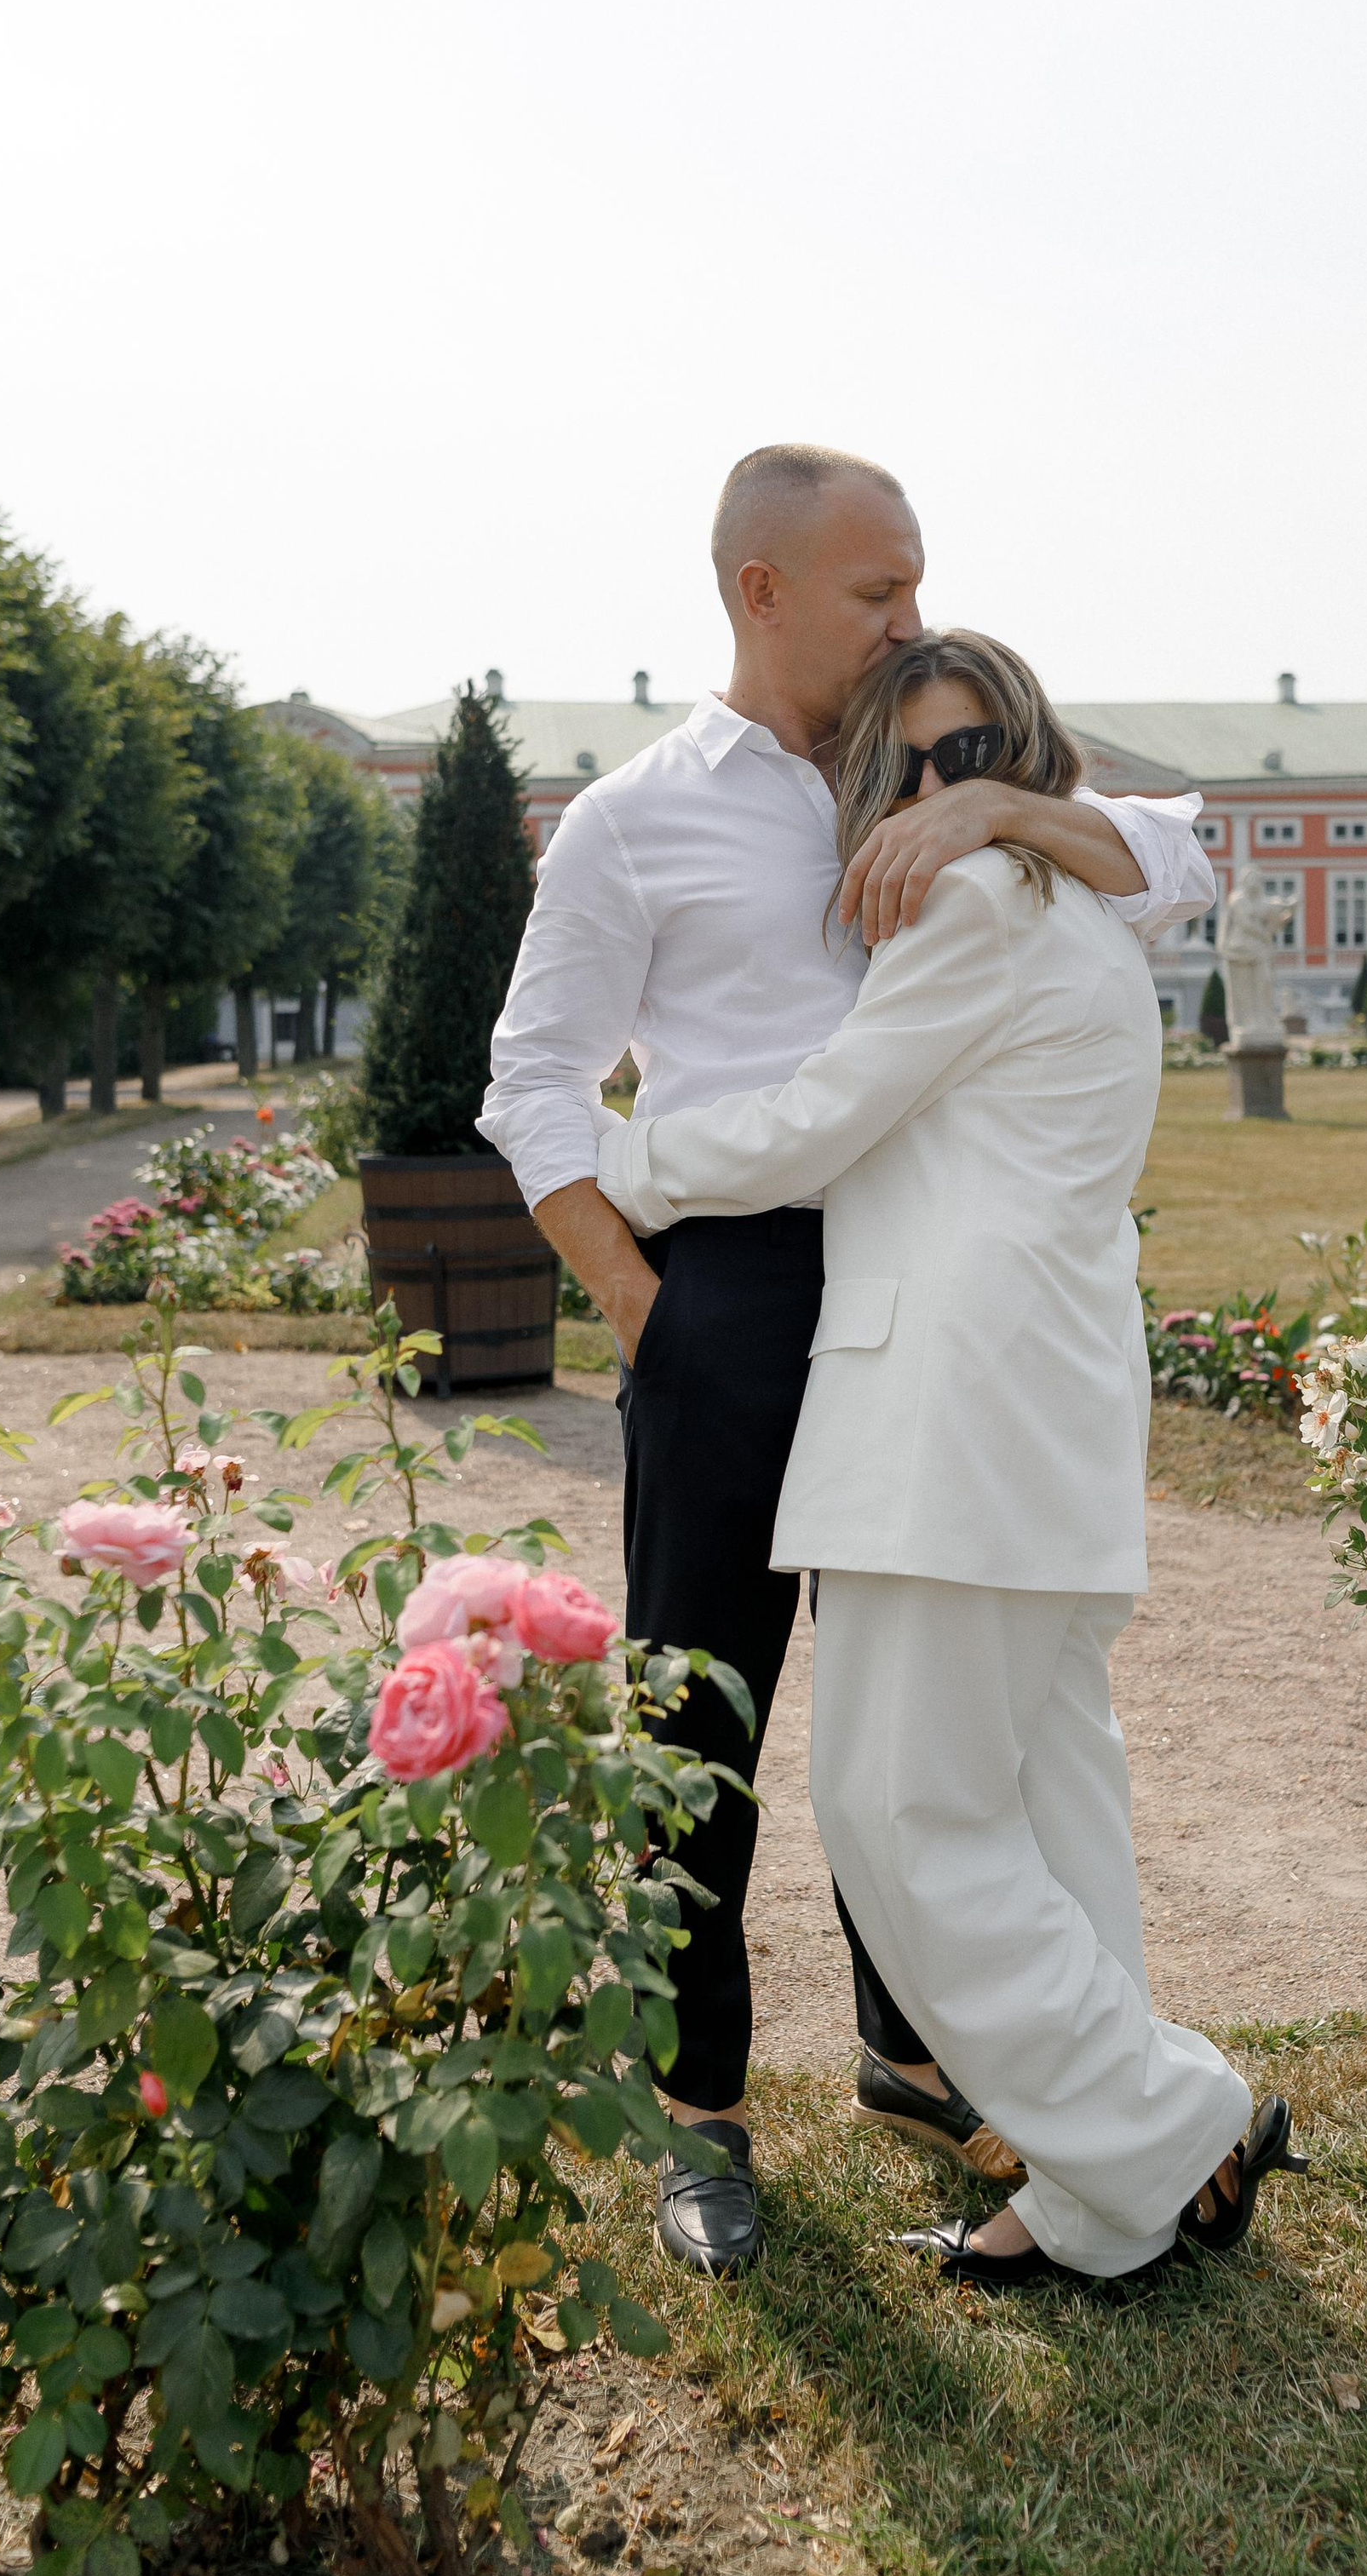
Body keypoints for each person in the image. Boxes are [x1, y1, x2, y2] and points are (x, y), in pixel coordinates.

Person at [480, 444, 1216, 2275]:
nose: (909, 610)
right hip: (729, 1293)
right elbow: (528, 1086)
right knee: (701, 1720)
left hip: (926, 1293)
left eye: (912, 580)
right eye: (876, 587)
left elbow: (1185, 856)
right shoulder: (635, 816)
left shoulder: (945, 745)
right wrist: (641, 1307)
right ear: (760, 589)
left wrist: (997, 814)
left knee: (932, 1721)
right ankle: (699, 2109)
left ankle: (921, 2055)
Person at [593, 629, 1306, 2288]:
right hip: (1036, 1419)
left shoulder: (985, 903)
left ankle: (1175, 2122)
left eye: (972, 754)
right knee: (1053, 1810)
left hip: (947, 1416)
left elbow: (817, 1119)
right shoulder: (1069, 907)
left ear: (1027, 756)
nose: (941, 789)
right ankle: (1102, 2203)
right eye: (910, 767)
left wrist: (619, 1164)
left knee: (896, 1818)